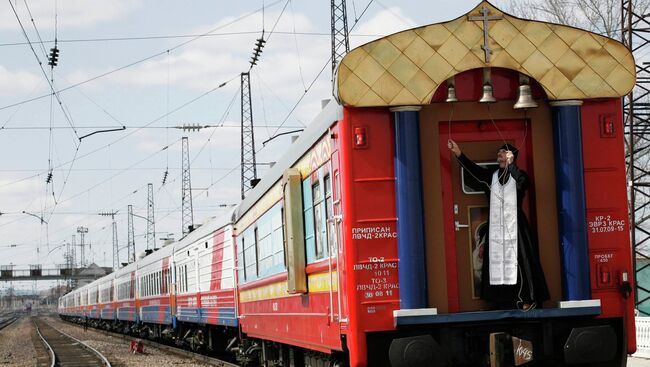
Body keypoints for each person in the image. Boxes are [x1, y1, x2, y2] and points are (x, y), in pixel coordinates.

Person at [448, 139, 549, 309]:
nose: (499, 154)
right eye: (499, 152)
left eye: (503, 152)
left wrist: (512, 166)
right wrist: (458, 153)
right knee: (497, 263)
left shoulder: (519, 174)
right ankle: (502, 301)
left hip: (515, 226)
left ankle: (525, 299)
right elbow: (474, 171)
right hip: (496, 227)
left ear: (511, 156)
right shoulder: (491, 176)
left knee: (520, 262)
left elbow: (523, 184)